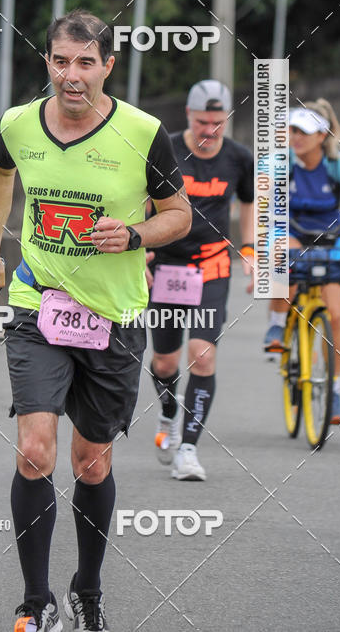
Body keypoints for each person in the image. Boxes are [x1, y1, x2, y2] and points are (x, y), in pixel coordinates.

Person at [0, 10, 191, 632]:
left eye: (86, 63)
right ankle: (34, 602)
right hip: (38, 306)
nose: (72, 76)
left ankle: (86, 589)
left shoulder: (144, 134)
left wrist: (137, 233)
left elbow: (181, 215)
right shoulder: (18, 123)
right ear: (48, 62)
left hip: (113, 316)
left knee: (91, 462)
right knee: (36, 452)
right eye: (62, 61)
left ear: (107, 67)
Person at [147, 80, 254, 481]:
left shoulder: (239, 158)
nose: (210, 130)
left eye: (218, 122)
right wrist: (140, 248)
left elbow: (248, 201)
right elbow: (140, 198)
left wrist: (250, 249)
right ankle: (169, 413)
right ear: (189, 116)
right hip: (167, 265)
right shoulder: (166, 150)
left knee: (202, 354)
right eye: (203, 121)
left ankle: (188, 449)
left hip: (211, 264)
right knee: (164, 360)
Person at [262, 99, 340, 424]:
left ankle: (333, 391)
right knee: (287, 261)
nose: (296, 136)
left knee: (334, 317)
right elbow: (262, 196)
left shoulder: (338, 164)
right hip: (289, 230)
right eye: (291, 130)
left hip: (330, 236)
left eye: (303, 131)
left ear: (322, 135)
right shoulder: (281, 162)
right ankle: (276, 326)